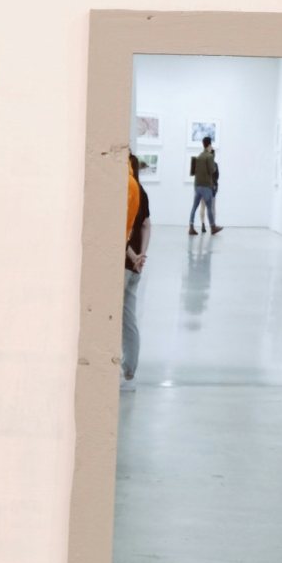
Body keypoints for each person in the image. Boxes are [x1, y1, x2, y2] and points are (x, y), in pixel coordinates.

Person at [124, 153, 151, 391]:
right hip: (134, 266)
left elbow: (122, 230)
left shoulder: (127, 189)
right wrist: (142, 256)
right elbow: (146, 225)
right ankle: (129, 370)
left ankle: (125, 371)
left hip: (125, 265)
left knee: (120, 319)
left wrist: (133, 256)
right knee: (129, 319)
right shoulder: (142, 192)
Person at [189, 136, 222, 235]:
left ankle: (191, 227)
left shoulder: (199, 156)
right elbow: (212, 170)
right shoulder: (209, 156)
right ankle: (213, 227)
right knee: (209, 208)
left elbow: (194, 171)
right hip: (206, 186)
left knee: (194, 207)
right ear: (210, 145)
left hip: (197, 186)